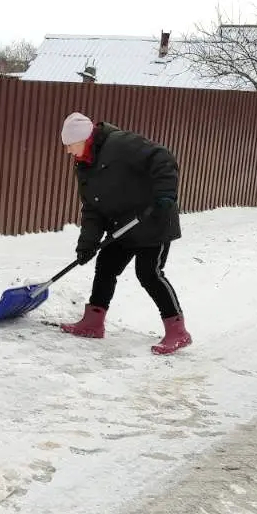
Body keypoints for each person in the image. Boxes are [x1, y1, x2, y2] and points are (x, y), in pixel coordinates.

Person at [58, 112, 192, 355]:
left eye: (70, 145)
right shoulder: (84, 166)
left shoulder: (120, 144)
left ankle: (177, 331)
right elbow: (92, 208)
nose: (68, 151)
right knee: (106, 267)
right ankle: (93, 323)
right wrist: (87, 244)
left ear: (84, 138)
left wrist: (165, 194)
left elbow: (162, 158)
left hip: (153, 218)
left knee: (149, 273)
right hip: (122, 225)